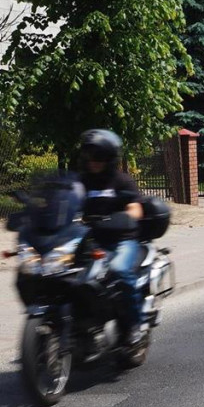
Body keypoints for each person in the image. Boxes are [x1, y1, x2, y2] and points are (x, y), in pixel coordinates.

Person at [77, 129, 146, 347]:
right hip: (91, 241)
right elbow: (65, 204)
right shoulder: (82, 182)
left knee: (118, 270)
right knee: (65, 274)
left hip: (122, 241)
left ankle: (135, 325)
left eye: (98, 156)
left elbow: (136, 209)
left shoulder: (121, 181)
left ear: (109, 158)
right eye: (89, 156)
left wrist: (123, 217)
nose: (93, 161)